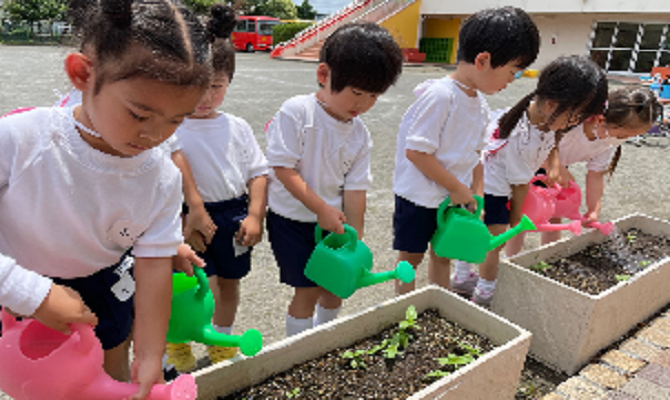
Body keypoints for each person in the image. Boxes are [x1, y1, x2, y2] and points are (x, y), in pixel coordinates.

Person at [0, 0, 213, 398]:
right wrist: (31, 293)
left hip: (105, 286)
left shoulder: (163, 177)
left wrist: (149, 355)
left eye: (176, 120)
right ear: (82, 73)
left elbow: (153, 269)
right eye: (139, 114)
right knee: (35, 386)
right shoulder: (19, 139)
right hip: (12, 290)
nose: (155, 136)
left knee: (110, 380)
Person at [265, 22, 403, 337]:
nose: (363, 104)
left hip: (332, 223)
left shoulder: (359, 134)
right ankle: (298, 349)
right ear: (324, 75)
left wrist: (357, 237)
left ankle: (324, 337)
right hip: (293, 220)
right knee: (307, 290)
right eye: (356, 92)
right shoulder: (298, 112)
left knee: (336, 285)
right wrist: (321, 209)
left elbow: (356, 190)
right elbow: (284, 170)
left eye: (373, 96)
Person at [392, 6, 540, 296]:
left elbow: (477, 156)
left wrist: (477, 191)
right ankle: (404, 312)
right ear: (483, 60)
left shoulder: (480, 106)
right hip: (418, 197)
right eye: (512, 72)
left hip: (452, 197)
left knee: (444, 253)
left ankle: (438, 305)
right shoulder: (441, 96)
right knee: (410, 258)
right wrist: (458, 188)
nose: (512, 80)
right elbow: (417, 153)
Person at [452, 55, 608, 307]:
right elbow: (520, 186)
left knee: (474, 233)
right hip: (492, 191)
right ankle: (485, 294)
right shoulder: (523, 139)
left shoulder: (536, 118)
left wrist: (554, 165)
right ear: (552, 105)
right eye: (575, 117)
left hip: (485, 182)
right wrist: (516, 220)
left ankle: (461, 277)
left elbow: (552, 141)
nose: (575, 125)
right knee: (493, 244)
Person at [164, 4, 269, 372]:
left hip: (235, 214)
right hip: (190, 218)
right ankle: (176, 343)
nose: (206, 98)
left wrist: (256, 214)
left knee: (230, 283)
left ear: (229, 82)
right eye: (198, 88)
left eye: (217, 87)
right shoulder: (171, 125)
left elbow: (258, 172)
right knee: (193, 287)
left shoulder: (236, 126)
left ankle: (221, 340)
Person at [522, 86, 662, 248]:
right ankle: (511, 258)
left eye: (631, 137)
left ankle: (549, 252)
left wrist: (593, 209)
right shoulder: (572, 123)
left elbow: (595, 175)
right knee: (522, 214)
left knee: (555, 211)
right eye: (622, 135)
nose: (622, 140)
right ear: (601, 120)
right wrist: (557, 167)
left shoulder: (605, 143)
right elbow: (535, 142)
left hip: (556, 167)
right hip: (526, 161)